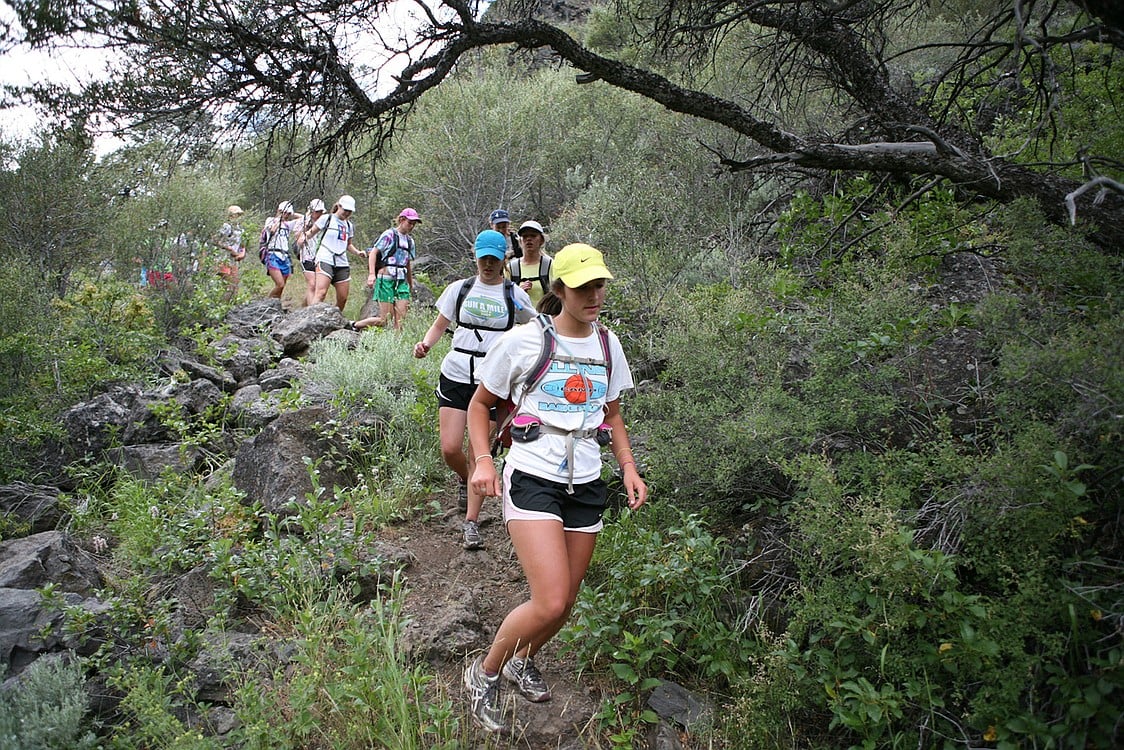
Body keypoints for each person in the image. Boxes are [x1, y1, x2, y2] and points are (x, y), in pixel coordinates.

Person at [462, 242, 647, 733]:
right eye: (584, 286)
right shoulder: (526, 340)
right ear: (559, 289)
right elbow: (480, 405)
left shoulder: (608, 345)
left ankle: (524, 658)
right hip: (533, 474)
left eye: (600, 285)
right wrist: (483, 461)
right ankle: (484, 675)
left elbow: (611, 414)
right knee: (548, 599)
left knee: (566, 601)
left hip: (586, 479)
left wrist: (627, 466)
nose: (594, 295)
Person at [412, 229, 534, 550]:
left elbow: (536, 327)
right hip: (456, 373)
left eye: (494, 259)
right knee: (450, 448)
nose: (488, 265)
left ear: (503, 259)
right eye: (484, 259)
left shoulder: (513, 295)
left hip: (493, 381)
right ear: (475, 256)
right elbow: (441, 324)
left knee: (477, 450)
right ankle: (467, 480)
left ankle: (471, 522)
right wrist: (426, 344)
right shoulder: (460, 289)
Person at [356, 207, 421, 331]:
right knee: (385, 319)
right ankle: (355, 325)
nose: (412, 226)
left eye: (414, 224)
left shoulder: (410, 242)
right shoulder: (389, 235)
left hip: (401, 281)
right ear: (402, 220)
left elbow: (407, 262)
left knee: (401, 320)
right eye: (410, 222)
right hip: (385, 278)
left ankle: (396, 346)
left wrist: (410, 283)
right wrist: (371, 275)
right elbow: (374, 253)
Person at [300, 194, 359, 311]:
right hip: (325, 257)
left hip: (341, 261)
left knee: (343, 297)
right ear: (339, 206)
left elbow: (348, 244)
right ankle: (311, 318)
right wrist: (303, 238)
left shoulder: (349, 226)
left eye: (349, 211)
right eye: (345, 210)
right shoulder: (326, 219)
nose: (347, 213)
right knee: (321, 293)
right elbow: (311, 232)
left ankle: (335, 319)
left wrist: (358, 252)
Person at [262, 200, 304, 299]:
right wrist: (279, 218)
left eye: (288, 213)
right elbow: (272, 229)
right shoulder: (270, 220)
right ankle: (267, 303)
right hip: (273, 254)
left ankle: (276, 304)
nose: (286, 215)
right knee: (279, 284)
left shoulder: (288, 225)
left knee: (282, 285)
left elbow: (304, 218)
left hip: (285, 256)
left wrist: (293, 214)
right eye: (284, 212)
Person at [506, 220, 553, 308]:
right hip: (519, 321)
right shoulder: (511, 268)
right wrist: (518, 293)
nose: (528, 239)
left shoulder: (550, 265)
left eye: (533, 236)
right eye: (525, 236)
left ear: (541, 240)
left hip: (546, 320)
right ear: (520, 241)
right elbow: (505, 299)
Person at [297, 198, 327, 306]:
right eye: (316, 211)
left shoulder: (325, 221)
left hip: (321, 256)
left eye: (320, 212)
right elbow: (298, 240)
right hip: (307, 255)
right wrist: (306, 229)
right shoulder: (303, 221)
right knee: (312, 284)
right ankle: (311, 311)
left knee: (319, 286)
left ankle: (305, 306)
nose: (318, 214)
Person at [214, 205, 246, 289]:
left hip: (234, 260)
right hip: (223, 258)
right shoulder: (226, 226)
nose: (237, 216)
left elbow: (242, 244)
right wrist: (229, 249)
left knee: (234, 284)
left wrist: (242, 253)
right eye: (236, 214)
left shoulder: (240, 229)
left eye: (239, 214)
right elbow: (216, 240)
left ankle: (232, 301)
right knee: (228, 283)